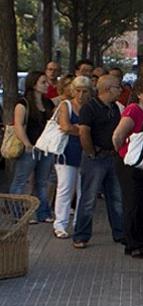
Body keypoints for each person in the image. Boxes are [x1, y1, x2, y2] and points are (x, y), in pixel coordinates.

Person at [72, 75, 125, 250]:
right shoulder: (90, 108)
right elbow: (84, 132)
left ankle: (120, 233)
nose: (120, 90)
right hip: (96, 157)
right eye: (118, 87)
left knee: (116, 197)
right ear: (108, 88)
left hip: (112, 156)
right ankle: (81, 236)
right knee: (88, 198)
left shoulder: (114, 107)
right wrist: (90, 152)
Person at [112, 77, 143, 258]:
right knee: (132, 202)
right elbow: (118, 135)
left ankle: (139, 239)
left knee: (142, 203)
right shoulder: (133, 110)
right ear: (139, 94)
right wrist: (123, 153)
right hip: (129, 163)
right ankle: (132, 242)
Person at [8, 71, 55, 223]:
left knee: (42, 182)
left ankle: (42, 212)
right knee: (21, 181)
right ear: (33, 84)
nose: (47, 85)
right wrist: (27, 143)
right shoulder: (23, 103)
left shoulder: (48, 103)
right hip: (30, 148)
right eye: (43, 82)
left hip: (45, 148)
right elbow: (18, 125)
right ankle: (18, 214)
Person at [52, 77, 91, 239]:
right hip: (67, 153)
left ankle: (78, 223)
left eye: (85, 91)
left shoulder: (90, 107)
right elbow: (65, 126)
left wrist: (78, 130)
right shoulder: (65, 105)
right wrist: (83, 130)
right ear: (72, 90)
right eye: (78, 90)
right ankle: (60, 224)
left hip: (85, 152)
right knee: (65, 189)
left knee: (83, 191)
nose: (81, 94)